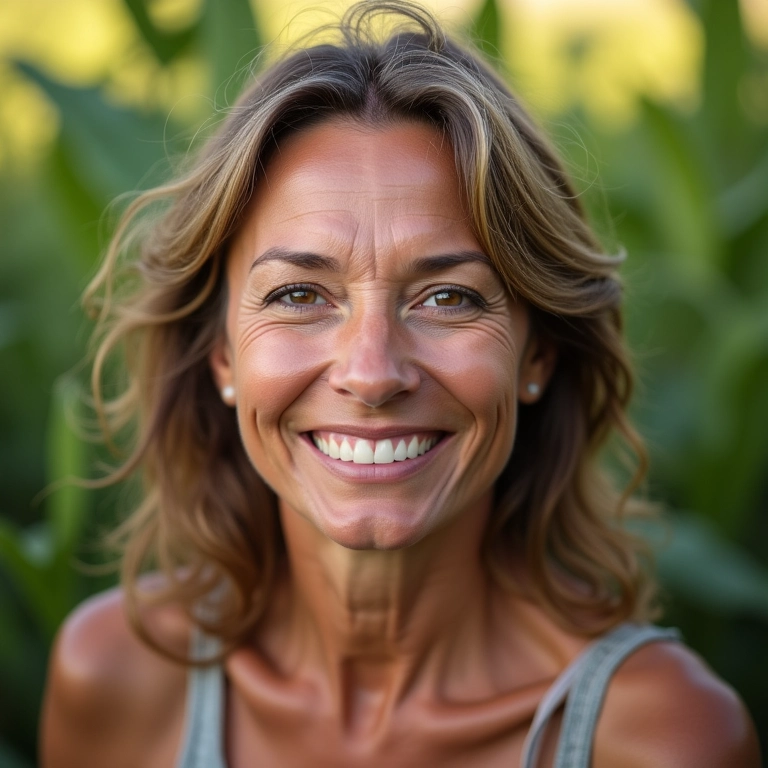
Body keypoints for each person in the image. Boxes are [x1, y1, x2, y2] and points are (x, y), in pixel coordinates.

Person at [40, 2, 760, 766]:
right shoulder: (117, 677)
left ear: (537, 355)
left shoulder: (663, 740)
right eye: (298, 295)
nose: (373, 372)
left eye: (448, 298)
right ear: (221, 354)